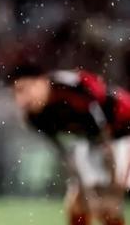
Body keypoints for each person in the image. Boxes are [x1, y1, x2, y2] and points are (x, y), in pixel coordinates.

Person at [11, 65, 130, 225]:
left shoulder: (69, 91)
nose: (21, 99)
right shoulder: (35, 116)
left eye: (24, 89)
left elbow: (104, 135)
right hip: (94, 140)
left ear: (42, 83)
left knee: (106, 204)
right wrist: (84, 187)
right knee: (77, 204)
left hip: (122, 131)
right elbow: (67, 153)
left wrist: (111, 189)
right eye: (16, 92)